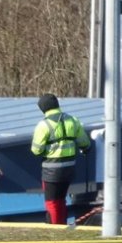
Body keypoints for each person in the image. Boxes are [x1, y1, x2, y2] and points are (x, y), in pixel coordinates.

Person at [30, 93, 91, 224]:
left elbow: (36, 150)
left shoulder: (43, 125)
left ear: (43, 108)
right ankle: (62, 225)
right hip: (69, 168)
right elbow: (85, 143)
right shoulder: (73, 120)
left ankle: (55, 228)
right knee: (61, 200)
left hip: (51, 171)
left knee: (52, 202)